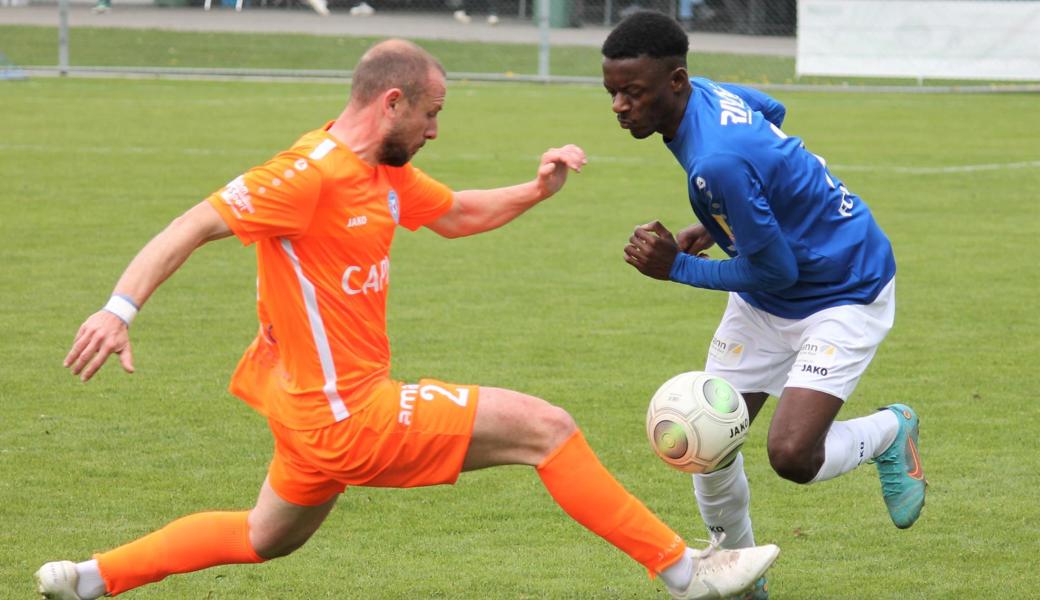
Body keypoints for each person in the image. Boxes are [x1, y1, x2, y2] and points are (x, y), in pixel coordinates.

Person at [35, 39, 779, 600]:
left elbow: (454, 213)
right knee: (546, 428)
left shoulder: (383, 175)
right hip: (346, 413)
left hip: (309, 415)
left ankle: (89, 579)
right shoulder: (306, 176)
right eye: (431, 113)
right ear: (391, 102)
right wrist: (117, 309)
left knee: (264, 537)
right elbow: (190, 225)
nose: (434, 129)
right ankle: (687, 571)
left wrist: (537, 189)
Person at [601, 11, 926, 599]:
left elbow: (779, 266)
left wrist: (675, 265)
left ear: (676, 81)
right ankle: (740, 576)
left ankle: (888, 433)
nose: (620, 106)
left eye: (633, 92)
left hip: (843, 288)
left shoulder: (714, 162)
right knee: (706, 441)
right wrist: (722, 220)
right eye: (613, 93)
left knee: (793, 454)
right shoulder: (708, 97)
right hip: (769, 294)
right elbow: (772, 111)